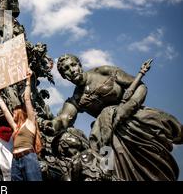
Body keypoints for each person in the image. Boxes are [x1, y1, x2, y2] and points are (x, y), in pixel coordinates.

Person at [43, 54, 183, 181]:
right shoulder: (75, 99)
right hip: (109, 133)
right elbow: (63, 119)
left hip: (133, 117)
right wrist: (52, 125)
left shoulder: (104, 72)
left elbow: (140, 86)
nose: (71, 70)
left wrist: (127, 108)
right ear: (64, 76)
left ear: (79, 64)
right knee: (110, 163)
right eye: (66, 69)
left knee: (153, 144)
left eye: (73, 65)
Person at [0, 72, 43, 181]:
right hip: (15, 160)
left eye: (15, 112)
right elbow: (5, 111)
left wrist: (28, 81)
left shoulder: (30, 123)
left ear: (21, 113)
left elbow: (27, 99)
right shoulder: (15, 127)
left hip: (28, 158)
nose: (13, 114)